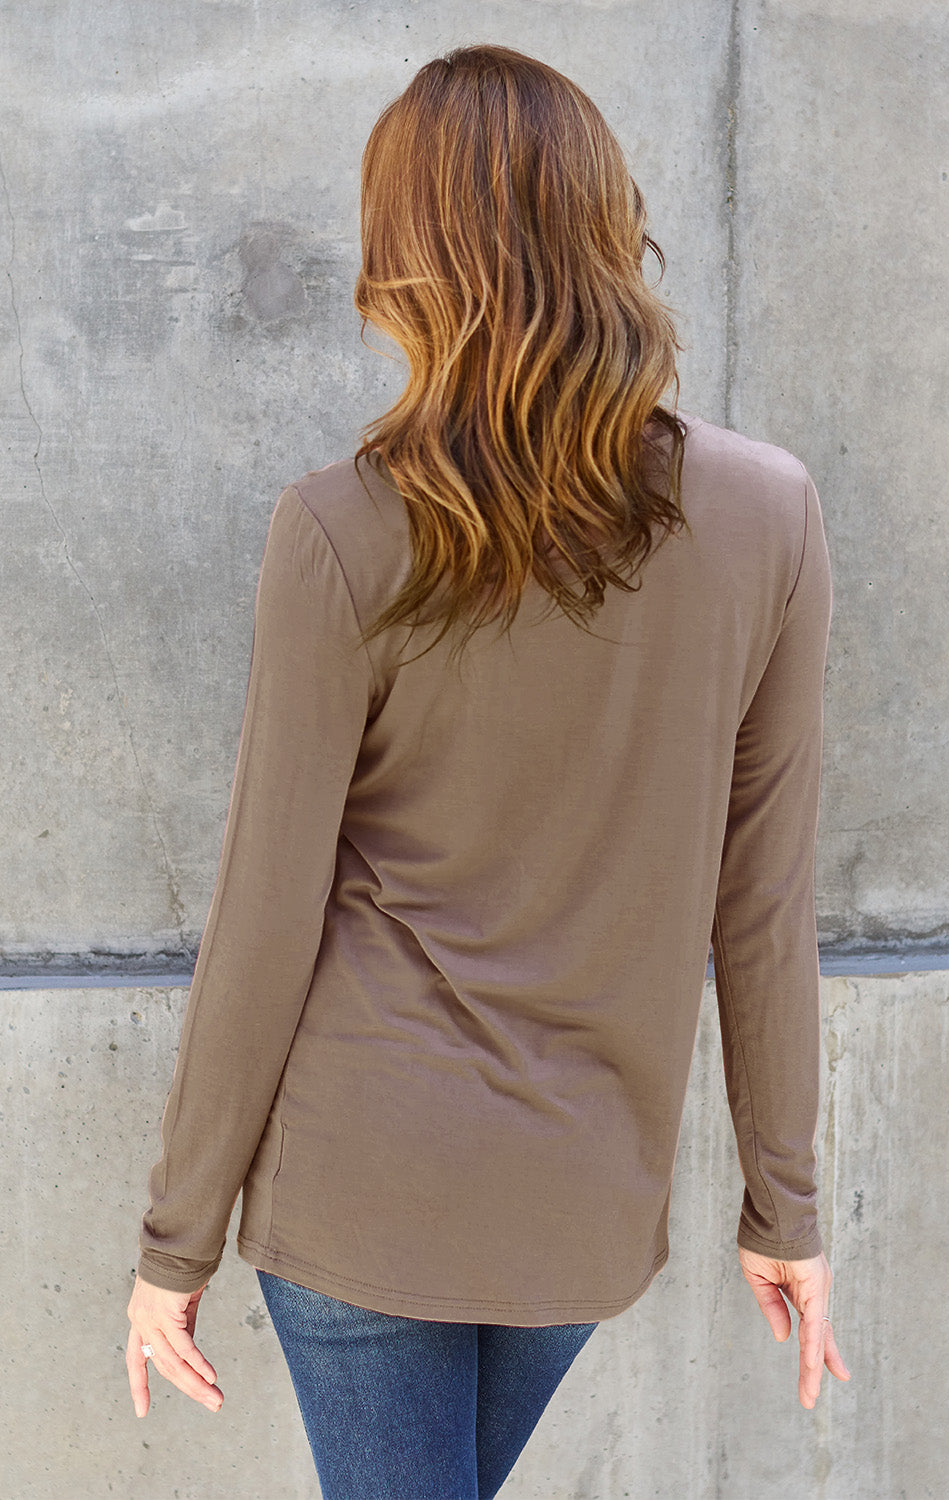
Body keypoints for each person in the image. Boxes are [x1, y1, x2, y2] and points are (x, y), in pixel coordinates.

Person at [125, 41, 851, 1499]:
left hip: (364, 1182)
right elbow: (762, 903)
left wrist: (173, 1246)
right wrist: (786, 1206)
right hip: (587, 1190)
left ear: (412, 258)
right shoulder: (770, 514)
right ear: (605, 226)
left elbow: (267, 911)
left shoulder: (340, 528)